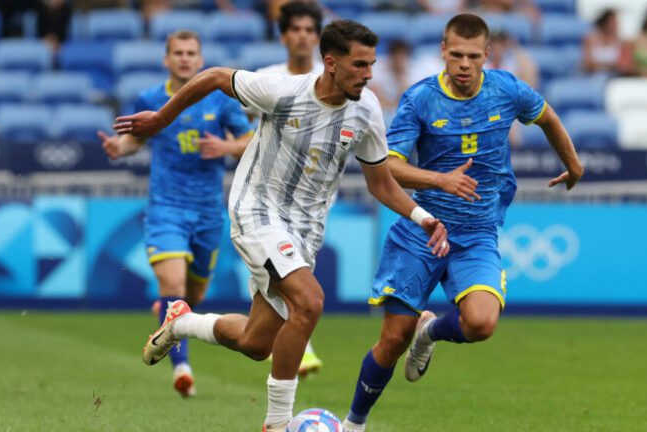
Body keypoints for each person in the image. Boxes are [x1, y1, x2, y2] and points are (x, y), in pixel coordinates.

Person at [115, 20, 451, 431]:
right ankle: (277, 423)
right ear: (330, 63)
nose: (368, 74)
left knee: (256, 343)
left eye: (371, 65)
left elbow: (380, 183)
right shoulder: (284, 92)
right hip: (256, 212)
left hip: (304, 231)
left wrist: (422, 216)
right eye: (360, 65)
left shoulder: (366, 112)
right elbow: (216, 76)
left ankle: (181, 323)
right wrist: (162, 120)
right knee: (309, 301)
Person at [341, 14, 584, 431]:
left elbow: (547, 118)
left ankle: (431, 332)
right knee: (392, 340)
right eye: (456, 55)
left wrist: (574, 166)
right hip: (423, 229)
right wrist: (439, 179)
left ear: (487, 55)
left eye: (473, 56)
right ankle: (353, 424)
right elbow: (388, 166)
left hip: (476, 233)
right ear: (443, 50)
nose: (465, 64)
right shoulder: (419, 99)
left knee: (482, 323)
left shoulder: (506, 89)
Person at [97, 30, 253, 398]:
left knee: (192, 296)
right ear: (166, 60)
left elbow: (249, 140)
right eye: (178, 53)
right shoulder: (150, 98)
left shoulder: (220, 98)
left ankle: (164, 313)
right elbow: (136, 138)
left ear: (200, 60)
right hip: (166, 208)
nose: (184, 58)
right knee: (174, 288)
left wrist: (227, 145)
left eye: (191, 53)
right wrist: (119, 148)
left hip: (208, 213)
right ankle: (182, 368)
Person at [250, 0, 326, 376]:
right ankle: (303, 354)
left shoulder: (331, 82)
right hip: (265, 202)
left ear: (318, 37)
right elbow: (242, 131)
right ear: (283, 36)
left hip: (309, 204)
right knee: (299, 293)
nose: (302, 36)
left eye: (309, 30)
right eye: (295, 29)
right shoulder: (267, 78)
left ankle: (186, 323)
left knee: (255, 337)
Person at [583, 8, 624, 75]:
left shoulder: (619, 40)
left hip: (613, 76)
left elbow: (622, 65)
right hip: (592, 76)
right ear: (605, 23)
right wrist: (610, 65)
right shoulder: (591, 38)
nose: (615, 25)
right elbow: (587, 64)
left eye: (616, 22)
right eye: (612, 22)